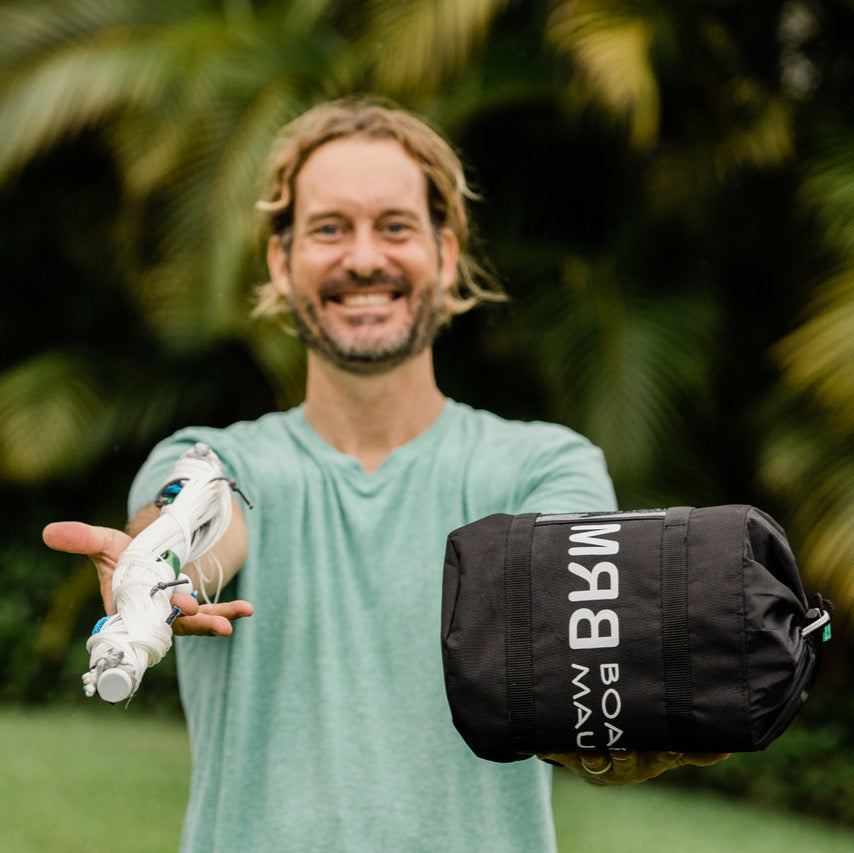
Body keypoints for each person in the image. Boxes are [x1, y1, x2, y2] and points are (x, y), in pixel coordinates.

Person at [43, 97, 726, 852]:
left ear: (446, 251)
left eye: (395, 226)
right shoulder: (221, 460)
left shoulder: (545, 467)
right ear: (280, 260)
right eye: (330, 228)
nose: (364, 257)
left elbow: (574, 637)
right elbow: (199, 519)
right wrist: (157, 564)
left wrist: (609, 727)